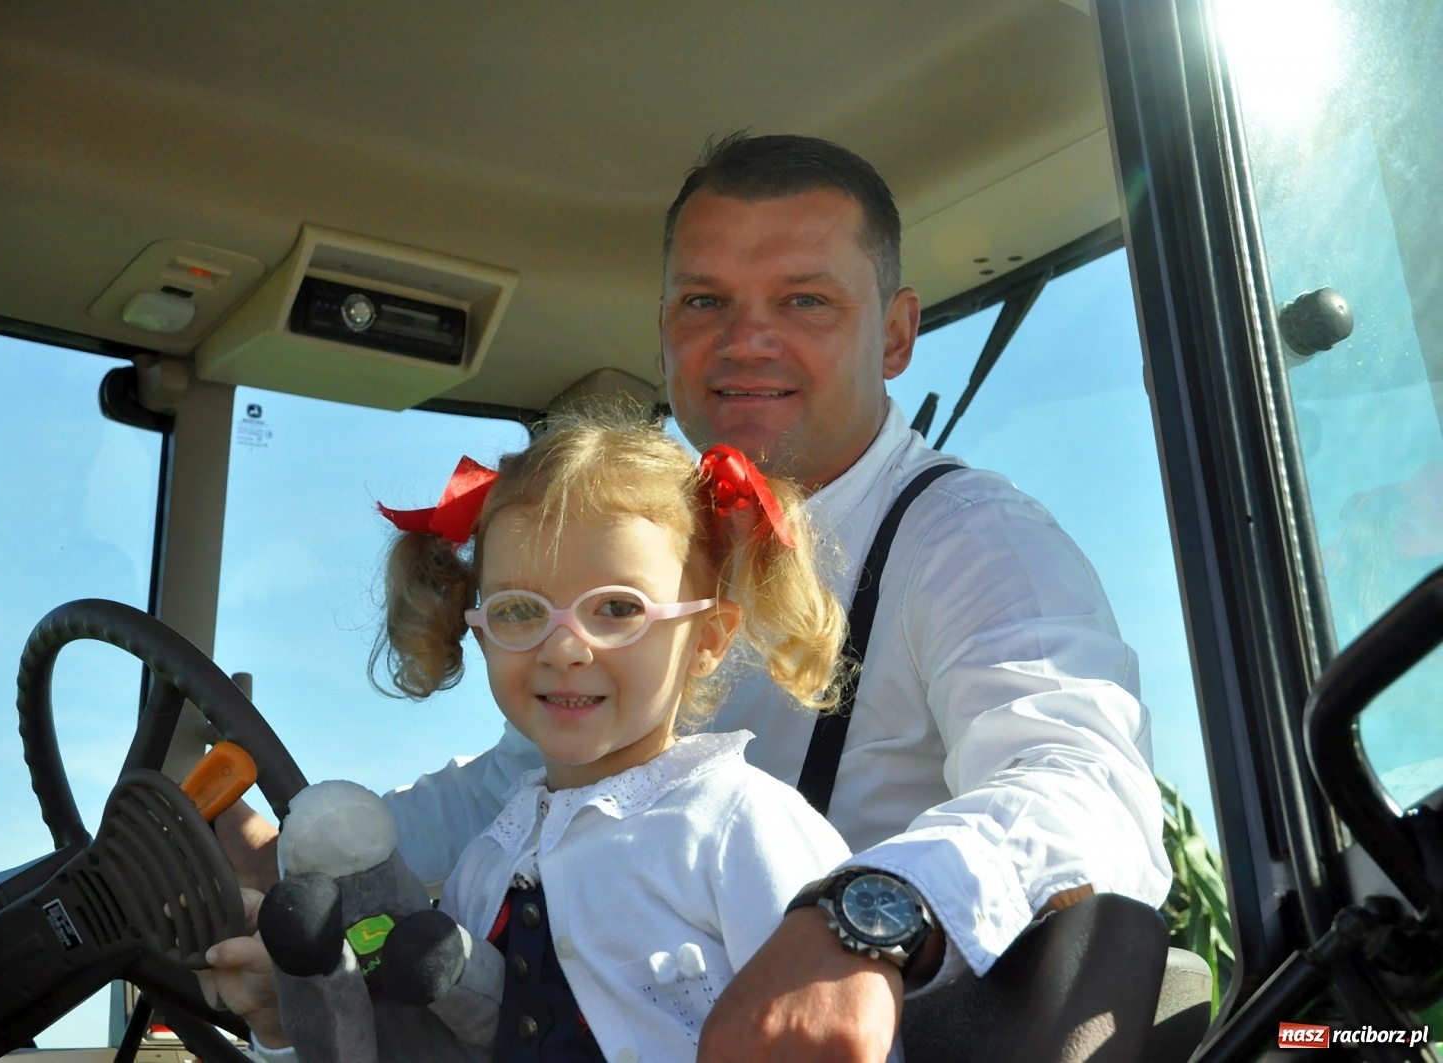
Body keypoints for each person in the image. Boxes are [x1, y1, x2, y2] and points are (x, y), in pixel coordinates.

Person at [211, 133, 1172, 1062]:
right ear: (665, 328)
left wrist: (865, 915)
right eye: (706, 300)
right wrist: (293, 873)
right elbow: (507, 793)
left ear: (897, 333)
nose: (747, 341)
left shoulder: (967, 539)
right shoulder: (654, 557)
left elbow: (1081, 785)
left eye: (804, 299)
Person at [225, 411, 867, 1062]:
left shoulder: (743, 827)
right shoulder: (490, 860)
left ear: (707, 637)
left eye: (617, 609)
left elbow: (843, 1024)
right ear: (481, 631)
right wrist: (281, 1027)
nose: (563, 647)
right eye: (520, 611)